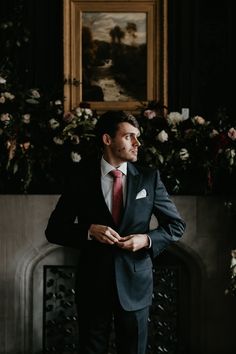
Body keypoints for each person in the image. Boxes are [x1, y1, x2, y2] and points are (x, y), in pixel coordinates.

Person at [45, 110, 186, 354]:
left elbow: (176, 226)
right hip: (93, 284)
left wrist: (146, 239)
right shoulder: (80, 178)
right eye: (129, 136)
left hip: (136, 286)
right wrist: (89, 231)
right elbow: (55, 230)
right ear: (107, 139)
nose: (137, 143)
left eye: (137, 137)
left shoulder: (149, 179)